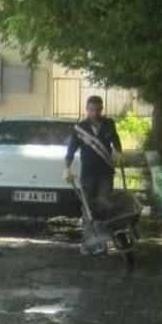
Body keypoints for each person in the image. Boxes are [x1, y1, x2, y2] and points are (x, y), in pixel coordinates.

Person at [63, 95, 124, 254]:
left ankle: (103, 243)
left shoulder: (109, 123)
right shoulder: (80, 128)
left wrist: (118, 151)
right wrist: (67, 168)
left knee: (105, 206)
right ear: (87, 109)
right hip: (87, 174)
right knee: (88, 209)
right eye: (91, 110)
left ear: (102, 109)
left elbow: (116, 139)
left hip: (106, 172)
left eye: (97, 110)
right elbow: (71, 149)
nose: (95, 113)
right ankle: (88, 242)